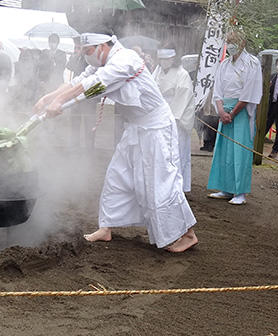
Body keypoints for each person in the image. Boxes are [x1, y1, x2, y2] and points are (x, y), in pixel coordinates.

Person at [33, 32, 198, 253]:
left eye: (87, 51)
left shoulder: (125, 59)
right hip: (136, 127)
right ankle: (106, 227)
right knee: (117, 175)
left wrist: (60, 102)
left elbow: (94, 84)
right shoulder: (105, 61)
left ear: (102, 46)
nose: (85, 55)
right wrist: (49, 97)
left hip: (156, 128)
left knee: (160, 183)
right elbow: (79, 80)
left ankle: (187, 234)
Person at [206, 30, 264, 205]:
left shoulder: (252, 63)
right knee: (224, 151)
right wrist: (222, 111)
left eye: (234, 41)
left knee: (239, 152)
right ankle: (226, 187)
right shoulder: (224, 64)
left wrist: (232, 113)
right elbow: (218, 90)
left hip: (241, 112)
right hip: (225, 111)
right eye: (228, 41)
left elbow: (248, 93)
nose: (230, 44)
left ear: (243, 42)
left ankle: (240, 192)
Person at [154, 48, 195, 192]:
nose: (163, 62)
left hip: (176, 118)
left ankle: (178, 187)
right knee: (161, 153)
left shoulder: (182, 74)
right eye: (161, 59)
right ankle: (162, 185)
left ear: (173, 59)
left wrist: (172, 117)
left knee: (178, 153)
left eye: (167, 59)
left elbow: (183, 97)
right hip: (160, 115)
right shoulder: (157, 71)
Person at [65, 37, 96, 150]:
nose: (77, 48)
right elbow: (68, 66)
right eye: (76, 46)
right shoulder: (76, 57)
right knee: (75, 121)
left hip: (88, 94)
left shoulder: (89, 58)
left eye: (79, 46)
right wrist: (75, 56)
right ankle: (74, 146)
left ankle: (89, 147)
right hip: (76, 94)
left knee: (89, 123)